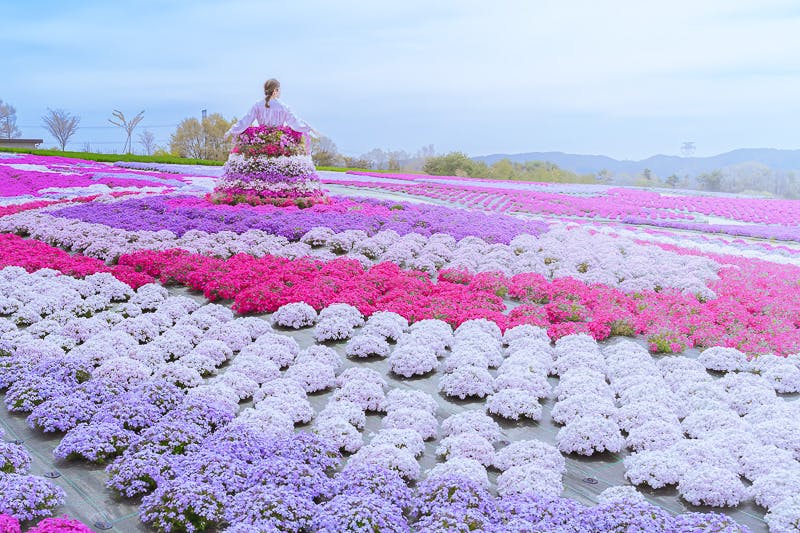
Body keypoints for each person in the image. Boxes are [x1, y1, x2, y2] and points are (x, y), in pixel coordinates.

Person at [225, 78, 320, 143]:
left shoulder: (257, 105)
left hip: (261, 141)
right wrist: (309, 128)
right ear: (275, 90)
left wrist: (231, 130)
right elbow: (295, 122)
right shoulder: (283, 107)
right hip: (279, 141)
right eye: (279, 90)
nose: (280, 92)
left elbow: (246, 120)